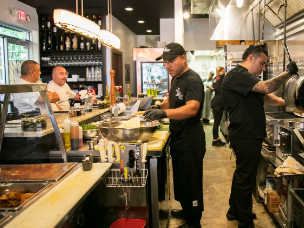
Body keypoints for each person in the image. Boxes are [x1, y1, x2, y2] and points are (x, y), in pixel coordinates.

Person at [221, 45, 298, 228]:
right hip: (245, 135)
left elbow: (267, 97)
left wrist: (293, 104)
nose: (263, 68)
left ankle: (234, 210)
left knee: (242, 174)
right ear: (250, 59)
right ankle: (244, 221)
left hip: (249, 134)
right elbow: (266, 87)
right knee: (246, 179)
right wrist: (287, 73)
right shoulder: (237, 75)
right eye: (262, 63)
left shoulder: (247, 80)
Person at [144, 43, 205, 228]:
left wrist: (164, 114)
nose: (167, 66)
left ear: (183, 58)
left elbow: (192, 108)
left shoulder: (192, 79)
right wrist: (159, 107)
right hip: (178, 135)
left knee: (191, 180)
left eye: (171, 61)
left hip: (190, 137)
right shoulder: (176, 78)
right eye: (165, 62)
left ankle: (194, 221)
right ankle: (187, 209)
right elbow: (172, 99)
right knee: (181, 178)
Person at [211, 66, 226, 146]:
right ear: (219, 72)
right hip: (218, 103)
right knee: (216, 123)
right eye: (222, 71)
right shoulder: (220, 76)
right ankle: (215, 140)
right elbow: (226, 74)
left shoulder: (217, 78)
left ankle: (217, 138)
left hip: (216, 102)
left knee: (217, 122)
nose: (224, 72)